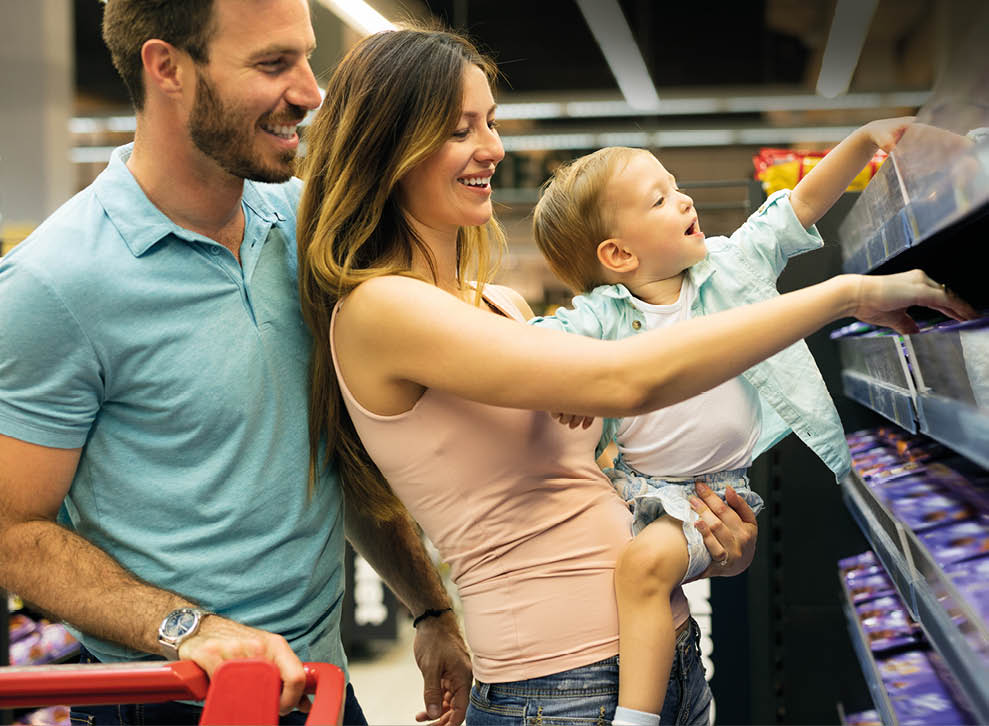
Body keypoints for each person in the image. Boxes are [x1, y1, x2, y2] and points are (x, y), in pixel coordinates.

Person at [295, 25, 973, 726]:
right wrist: (842, 294)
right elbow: (625, 381)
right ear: (390, 144)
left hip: (668, 664)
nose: (492, 148)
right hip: (554, 692)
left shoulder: (497, 304)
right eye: (460, 128)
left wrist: (713, 552)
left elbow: (592, 481)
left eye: (490, 122)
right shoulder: (381, 307)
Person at [0, 2, 471, 724]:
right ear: (167, 69)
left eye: (306, 58)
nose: (312, 92)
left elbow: (327, 452)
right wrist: (194, 630)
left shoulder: (304, 228)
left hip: (321, 684)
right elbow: (12, 531)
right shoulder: (54, 285)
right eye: (273, 64)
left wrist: (430, 608)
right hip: (168, 696)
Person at [527, 118, 913, 726]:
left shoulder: (732, 266)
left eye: (675, 184)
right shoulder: (600, 317)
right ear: (620, 254)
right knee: (634, 573)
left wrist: (864, 141)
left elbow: (799, 206)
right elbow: (534, 348)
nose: (684, 199)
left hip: (719, 493)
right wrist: (568, 373)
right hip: (640, 495)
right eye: (660, 198)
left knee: (644, 570)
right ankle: (652, 709)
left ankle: (640, 718)